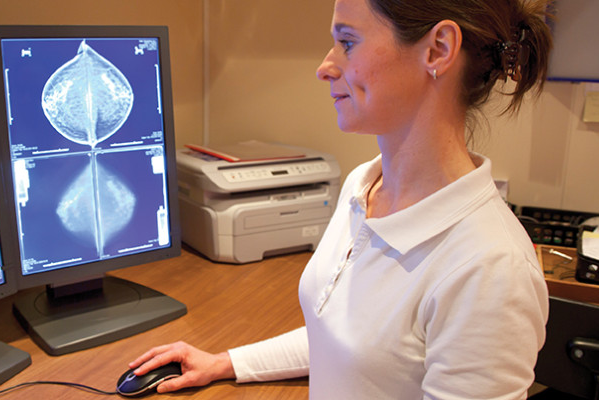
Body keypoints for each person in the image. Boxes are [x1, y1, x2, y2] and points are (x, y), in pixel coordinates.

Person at [128, 0, 553, 398]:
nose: (325, 67)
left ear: (438, 49)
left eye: (347, 42)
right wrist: (225, 363)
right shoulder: (361, 186)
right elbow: (346, 338)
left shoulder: (491, 270)